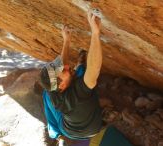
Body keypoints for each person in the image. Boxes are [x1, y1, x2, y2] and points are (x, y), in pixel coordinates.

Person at [39, 10, 103, 146]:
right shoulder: (77, 96)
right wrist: (95, 33)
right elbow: (94, 69)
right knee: (83, 74)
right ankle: (55, 133)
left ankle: (54, 132)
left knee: (46, 92)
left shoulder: (53, 87)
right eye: (64, 70)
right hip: (76, 130)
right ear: (61, 86)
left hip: (76, 124)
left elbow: (62, 65)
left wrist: (66, 40)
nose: (68, 66)